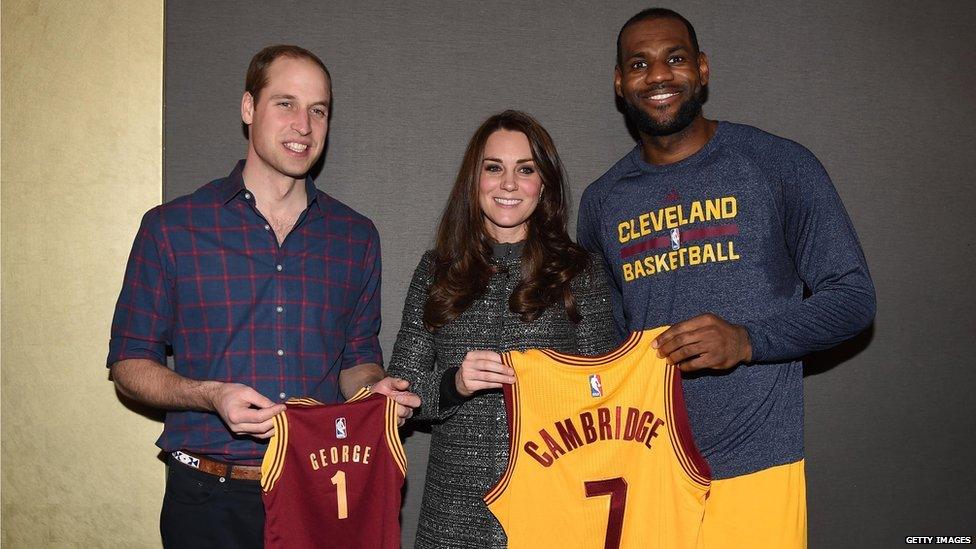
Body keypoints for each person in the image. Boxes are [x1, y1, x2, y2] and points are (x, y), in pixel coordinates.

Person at [577, 8, 876, 549]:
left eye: (675, 58)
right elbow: (604, 338)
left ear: (703, 68)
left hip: (757, 463)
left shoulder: (778, 164)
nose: (659, 76)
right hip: (644, 465)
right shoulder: (602, 200)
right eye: (639, 64)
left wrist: (745, 341)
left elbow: (853, 299)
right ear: (620, 83)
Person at [107, 44, 419, 548]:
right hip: (207, 497)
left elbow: (358, 359)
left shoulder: (355, 236)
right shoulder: (172, 227)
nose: (304, 124)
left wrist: (374, 393)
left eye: (318, 110)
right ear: (248, 108)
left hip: (320, 491)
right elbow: (128, 365)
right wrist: (210, 395)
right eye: (286, 103)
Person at [387, 110, 617, 548]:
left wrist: (557, 382)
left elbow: (603, 391)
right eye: (494, 168)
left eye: (525, 170)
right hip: (454, 511)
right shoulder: (437, 270)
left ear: (543, 183)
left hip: (553, 504)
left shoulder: (579, 273)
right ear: (474, 181)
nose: (508, 184)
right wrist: (455, 384)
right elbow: (401, 389)